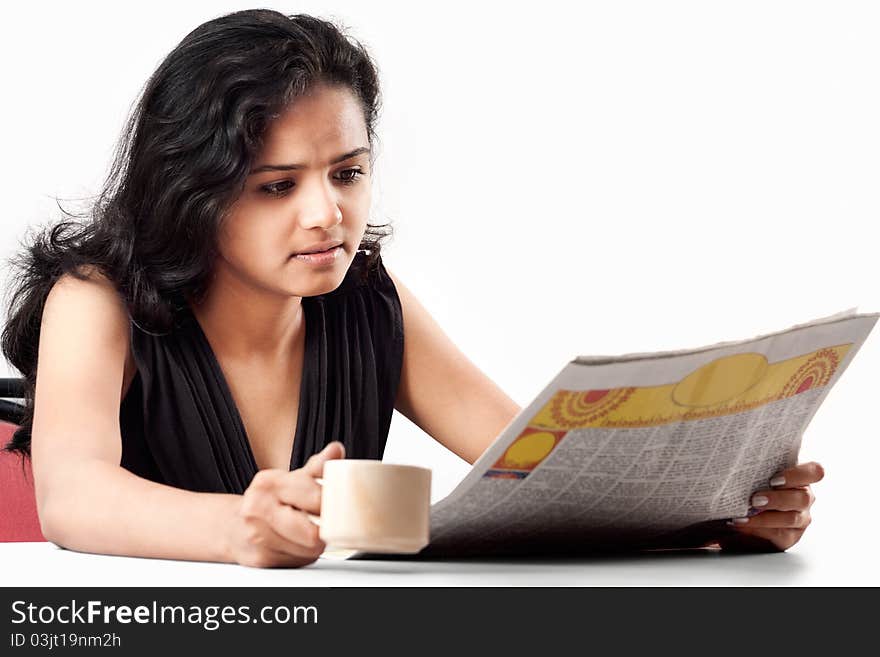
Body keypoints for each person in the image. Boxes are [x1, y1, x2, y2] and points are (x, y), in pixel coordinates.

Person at [1, 9, 822, 568]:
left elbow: (540, 465)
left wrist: (719, 516)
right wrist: (234, 527)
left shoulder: (364, 295)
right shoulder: (97, 297)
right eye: (276, 186)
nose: (329, 214)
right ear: (195, 189)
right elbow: (74, 497)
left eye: (347, 173)